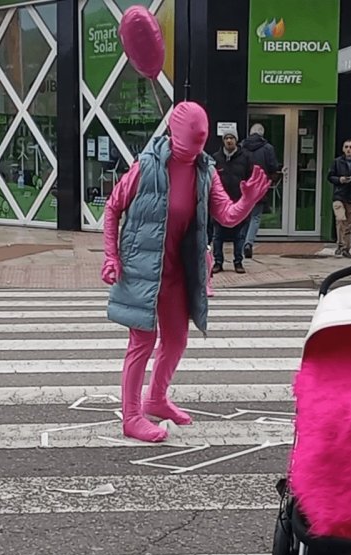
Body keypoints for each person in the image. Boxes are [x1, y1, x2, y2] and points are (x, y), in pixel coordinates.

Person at [101, 102, 270, 443]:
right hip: (142, 267)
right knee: (142, 342)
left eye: (198, 146)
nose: (192, 153)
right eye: (187, 145)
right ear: (174, 136)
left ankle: (157, 399)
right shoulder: (145, 168)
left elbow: (227, 216)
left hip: (178, 270)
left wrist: (248, 200)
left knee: (176, 341)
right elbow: (113, 207)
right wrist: (111, 257)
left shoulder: (204, 171)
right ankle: (132, 415)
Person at [211, 131, 252, 274]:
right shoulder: (216, 158)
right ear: (223, 141)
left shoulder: (245, 158)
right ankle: (218, 262)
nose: (229, 141)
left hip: (238, 202)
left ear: (236, 140)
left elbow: (250, 178)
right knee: (217, 236)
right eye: (227, 138)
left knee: (239, 236)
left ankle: (238, 262)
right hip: (219, 204)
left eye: (232, 138)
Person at [239, 123, 280, 259]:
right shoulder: (268, 148)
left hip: (244, 186)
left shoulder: (242, 146)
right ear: (262, 134)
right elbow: (273, 166)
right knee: (255, 217)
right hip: (260, 186)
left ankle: (241, 243)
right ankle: (248, 243)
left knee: (244, 217)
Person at [326, 139, 351, 259]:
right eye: (346, 147)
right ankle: (340, 245)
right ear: (343, 149)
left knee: (349, 224)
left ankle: (346, 248)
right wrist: (340, 180)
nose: (349, 149)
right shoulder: (337, 162)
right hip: (339, 195)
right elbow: (330, 176)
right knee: (340, 220)